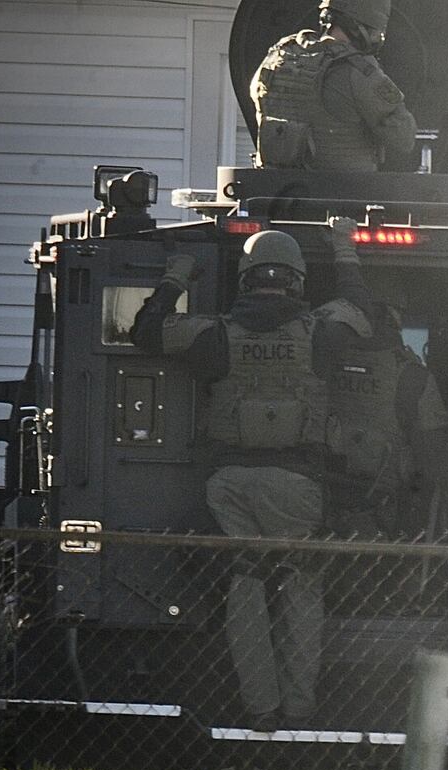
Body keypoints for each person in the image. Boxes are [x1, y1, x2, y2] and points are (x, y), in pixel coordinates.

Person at [133, 218, 372, 731]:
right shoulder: (320, 333)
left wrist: (176, 275)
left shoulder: (215, 334)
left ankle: (260, 711)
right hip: (297, 485)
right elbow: (363, 313)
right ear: (297, 280)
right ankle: (300, 710)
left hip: (232, 484)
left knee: (246, 592)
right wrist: (344, 249)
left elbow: (146, 332)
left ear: (245, 277)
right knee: (300, 590)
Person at [327, 300, 448, 536]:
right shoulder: (412, 376)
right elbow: (434, 459)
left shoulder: (325, 365)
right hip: (388, 508)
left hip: (326, 501)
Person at [251, 0, 418, 173]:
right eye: (375, 33)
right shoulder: (359, 71)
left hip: (275, 190)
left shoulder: (279, 56)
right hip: (341, 192)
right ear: (357, 28)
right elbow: (403, 138)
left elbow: (258, 102)